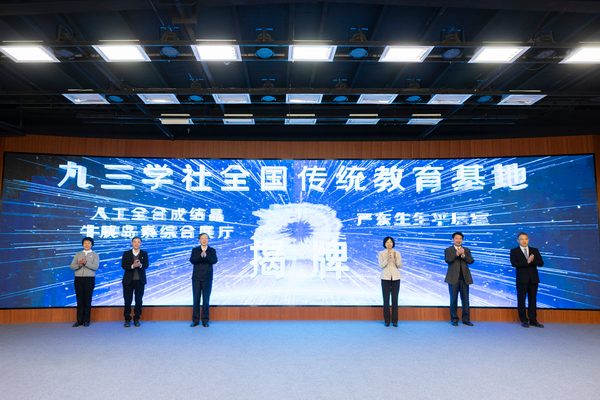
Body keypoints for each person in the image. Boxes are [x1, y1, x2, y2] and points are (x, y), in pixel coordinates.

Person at [510, 232, 545, 328]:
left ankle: (533, 320)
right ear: (518, 240)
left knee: (532, 300)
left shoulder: (534, 250)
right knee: (521, 300)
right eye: (521, 239)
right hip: (521, 280)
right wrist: (527, 262)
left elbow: (541, 263)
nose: (524, 241)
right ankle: (524, 320)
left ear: (528, 240)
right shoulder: (514, 251)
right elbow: (514, 264)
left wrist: (532, 260)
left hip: (533, 280)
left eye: (525, 239)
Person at [444, 232, 475, 326]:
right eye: (456, 238)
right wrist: (457, 253)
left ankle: (466, 319)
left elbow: (471, 261)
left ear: (462, 240)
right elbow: (448, 260)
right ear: (453, 239)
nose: (458, 240)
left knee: (465, 300)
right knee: (453, 300)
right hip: (453, 278)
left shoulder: (467, 250)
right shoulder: (448, 250)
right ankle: (454, 319)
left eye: (460, 238)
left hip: (465, 278)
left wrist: (464, 255)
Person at [69, 237, 99, 327]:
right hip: (78, 279)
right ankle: (79, 321)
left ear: (92, 245)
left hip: (89, 279)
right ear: (82, 244)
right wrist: (80, 264)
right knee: (79, 300)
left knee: (87, 300)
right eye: (85, 243)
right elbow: (72, 266)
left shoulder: (95, 255)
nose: (87, 245)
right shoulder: (78, 254)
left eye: (89, 243)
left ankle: (86, 320)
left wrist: (86, 263)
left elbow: (96, 267)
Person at [190, 233, 218, 327]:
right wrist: (200, 256)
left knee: (206, 300)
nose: (204, 240)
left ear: (208, 240)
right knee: (196, 300)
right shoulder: (195, 250)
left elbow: (214, 261)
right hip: (196, 278)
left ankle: (205, 320)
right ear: (199, 240)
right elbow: (192, 260)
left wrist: (206, 256)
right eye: (202, 238)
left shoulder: (212, 250)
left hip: (207, 278)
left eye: (206, 238)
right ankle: (195, 320)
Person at [121, 236, 149, 327]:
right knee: (127, 300)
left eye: (138, 242)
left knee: (138, 300)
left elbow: (146, 265)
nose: (136, 243)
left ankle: (137, 318)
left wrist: (140, 265)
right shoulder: (126, 253)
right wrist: (132, 266)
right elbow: (123, 265)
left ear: (141, 243)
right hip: (128, 281)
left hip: (140, 281)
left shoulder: (144, 253)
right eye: (135, 242)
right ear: (131, 243)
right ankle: (127, 319)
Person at [378, 236, 402, 327]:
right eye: (387, 242)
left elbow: (400, 265)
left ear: (393, 243)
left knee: (395, 300)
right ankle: (387, 320)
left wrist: (395, 258)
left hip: (396, 278)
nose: (389, 244)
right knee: (386, 300)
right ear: (384, 244)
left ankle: (395, 321)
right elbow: (381, 265)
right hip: (385, 278)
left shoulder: (397, 253)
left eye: (391, 242)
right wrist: (387, 258)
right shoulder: (381, 253)